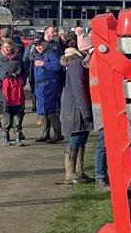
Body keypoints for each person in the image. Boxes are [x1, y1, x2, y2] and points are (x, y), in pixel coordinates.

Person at [58, 43, 94, 183]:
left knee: (81, 137)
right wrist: (86, 112)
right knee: (77, 137)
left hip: (73, 106)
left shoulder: (73, 65)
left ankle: (78, 171)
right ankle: (71, 172)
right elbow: (79, 90)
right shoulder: (77, 65)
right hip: (76, 108)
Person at [32, 32, 65, 143]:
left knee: (50, 108)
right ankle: (45, 133)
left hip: (50, 84)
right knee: (41, 108)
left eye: (40, 44)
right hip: (39, 85)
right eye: (36, 45)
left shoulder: (51, 54)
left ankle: (58, 133)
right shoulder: (37, 55)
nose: (38, 47)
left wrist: (43, 64)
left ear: (45, 43)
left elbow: (57, 66)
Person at [0, 40, 27, 146]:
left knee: (18, 119)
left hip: (18, 99)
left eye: (9, 47)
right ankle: (5, 137)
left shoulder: (18, 58)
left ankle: (18, 137)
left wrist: (23, 81)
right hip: (6, 98)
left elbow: (24, 72)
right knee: (7, 119)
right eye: (5, 47)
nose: (7, 49)